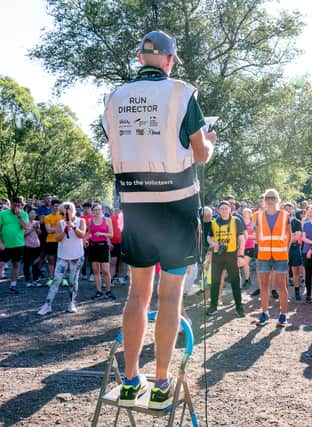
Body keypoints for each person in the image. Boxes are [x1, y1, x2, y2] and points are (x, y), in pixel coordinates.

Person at [102, 30, 215, 409]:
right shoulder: (182, 92)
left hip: (136, 204)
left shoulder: (114, 98)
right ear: (169, 59)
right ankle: (162, 382)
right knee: (170, 296)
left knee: (137, 294)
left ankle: (132, 380)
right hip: (176, 205)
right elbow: (200, 154)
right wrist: (210, 140)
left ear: (140, 59)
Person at [37, 202, 86, 315]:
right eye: (61, 213)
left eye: (65, 213)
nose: (63, 215)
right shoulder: (60, 223)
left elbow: (82, 235)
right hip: (63, 256)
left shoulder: (81, 221)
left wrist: (73, 226)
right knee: (56, 281)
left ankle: (71, 303)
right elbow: (58, 238)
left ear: (72, 211)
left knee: (73, 282)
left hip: (77, 256)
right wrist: (65, 230)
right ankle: (47, 305)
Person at [255, 189, 291, 327]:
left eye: (273, 197)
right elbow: (258, 235)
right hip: (263, 255)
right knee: (263, 286)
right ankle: (264, 313)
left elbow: (289, 236)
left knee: (282, 285)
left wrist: (285, 252)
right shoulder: (258, 215)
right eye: (267, 197)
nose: (270, 200)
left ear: (277, 200)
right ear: (264, 200)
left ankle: (283, 315)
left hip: (280, 255)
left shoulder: (285, 215)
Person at [206, 201, 246, 317]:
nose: (224, 210)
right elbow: (209, 237)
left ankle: (239, 306)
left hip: (232, 255)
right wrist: (215, 244)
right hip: (218, 256)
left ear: (230, 209)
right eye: (221, 208)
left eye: (226, 208)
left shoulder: (236, 221)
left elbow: (242, 239)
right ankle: (213, 307)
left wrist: (241, 255)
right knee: (215, 282)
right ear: (218, 210)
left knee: (235, 281)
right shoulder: (214, 222)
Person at [86, 204, 115, 300]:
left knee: (106, 271)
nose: (96, 211)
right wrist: (85, 239)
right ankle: (99, 291)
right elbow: (89, 233)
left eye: (98, 210)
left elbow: (111, 235)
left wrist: (102, 233)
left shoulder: (107, 220)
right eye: (94, 210)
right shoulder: (90, 221)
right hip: (93, 247)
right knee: (96, 271)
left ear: (102, 210)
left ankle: (108, 291)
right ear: (92, 211)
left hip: (103, 246)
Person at [0, 197, 28, 294]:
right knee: (1, 264)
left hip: (18, 244)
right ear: (11, 204)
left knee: (16, 264)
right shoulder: (2, 214)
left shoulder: (23, 214)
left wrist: (19, 216)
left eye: (19, 205)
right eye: (15, 205)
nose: (16, 207)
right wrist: (0, 242)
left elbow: (26, 227)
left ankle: (13, 285)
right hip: (5, 245)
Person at [43, 200, 63, 286]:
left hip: (61, 241)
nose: (56, 207)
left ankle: (60, 278)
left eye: (58, 206)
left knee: (61, 261)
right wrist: (59, 229)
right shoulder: (47, 217)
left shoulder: (63, 217)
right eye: (55, 206)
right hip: (50, 241)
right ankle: (51, 277)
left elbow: (64, 229)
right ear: (51, 207)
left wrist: (54, 229)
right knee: (51, 260)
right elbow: (48, 230)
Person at [23, 209, 42, 287]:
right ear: (28, 214)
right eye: (31, 213)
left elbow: (39, 234)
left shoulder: (36, 222)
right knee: (27, 264)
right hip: (27, 246)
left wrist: (37, 228)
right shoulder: (24, 223)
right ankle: (27, 280)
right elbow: (23, 234)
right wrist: (32, 228)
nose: (33, 214)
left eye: (34, 213)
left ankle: (35, 279)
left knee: (36, 263)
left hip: (36, 245)